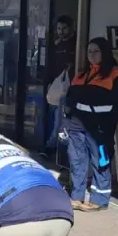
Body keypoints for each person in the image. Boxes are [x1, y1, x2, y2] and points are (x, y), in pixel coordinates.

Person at [63, 37, 118, 212]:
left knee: (101, 162)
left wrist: (106, 123)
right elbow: (70, 99)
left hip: (99, 130)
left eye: (96, 51)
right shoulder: (81, 75)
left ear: (105, 52)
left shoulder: (116, 75)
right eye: (89, 52)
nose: (92, 55)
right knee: (77, 162)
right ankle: (76, 197)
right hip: (77, 127)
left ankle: (99, 200)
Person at [46, 15, 77, 150]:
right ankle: (55, 147)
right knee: (57, 118)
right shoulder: (56, 45)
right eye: (59, 28)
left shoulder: (76, 44)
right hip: (57, 86)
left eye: (64, 28)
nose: (61, 31)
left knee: (61, 120)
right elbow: (50, 66)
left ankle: (52, 147)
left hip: (71, 87)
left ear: (71, 28)